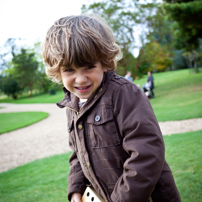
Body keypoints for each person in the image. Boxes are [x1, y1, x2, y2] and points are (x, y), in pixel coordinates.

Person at [42, 14, 181, 202]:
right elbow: (78, 155)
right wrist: (76, 188)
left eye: (89, 67)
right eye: (69, 70)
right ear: (57, 71)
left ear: (104, 62)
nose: (81, 79)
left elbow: (146, 154)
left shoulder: (124, 94)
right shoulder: (72, 105)